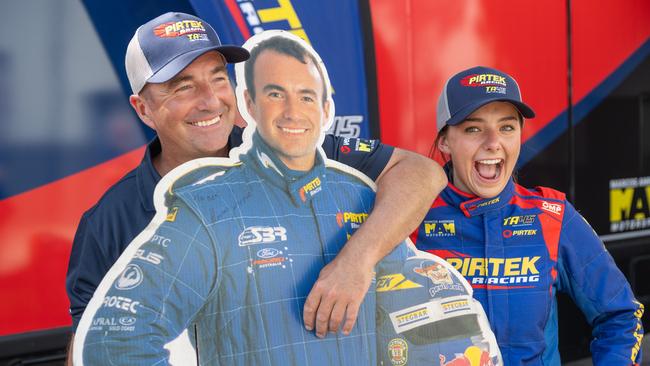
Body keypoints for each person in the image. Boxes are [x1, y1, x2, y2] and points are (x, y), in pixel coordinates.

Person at [65, 11, 445, 361]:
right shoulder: (109, 223)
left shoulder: (288, 147)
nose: (210, 100)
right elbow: (89, 347)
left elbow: (420, 172)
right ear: (143, 108)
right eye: (183, 87)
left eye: (218, 77)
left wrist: (357, 261)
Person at [411, 66, 645, 365]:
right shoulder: (412, 216)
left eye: (507, 127)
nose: (493, 142)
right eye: (474, 128)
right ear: (445, 141)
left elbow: (621, 315)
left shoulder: (553, 217)